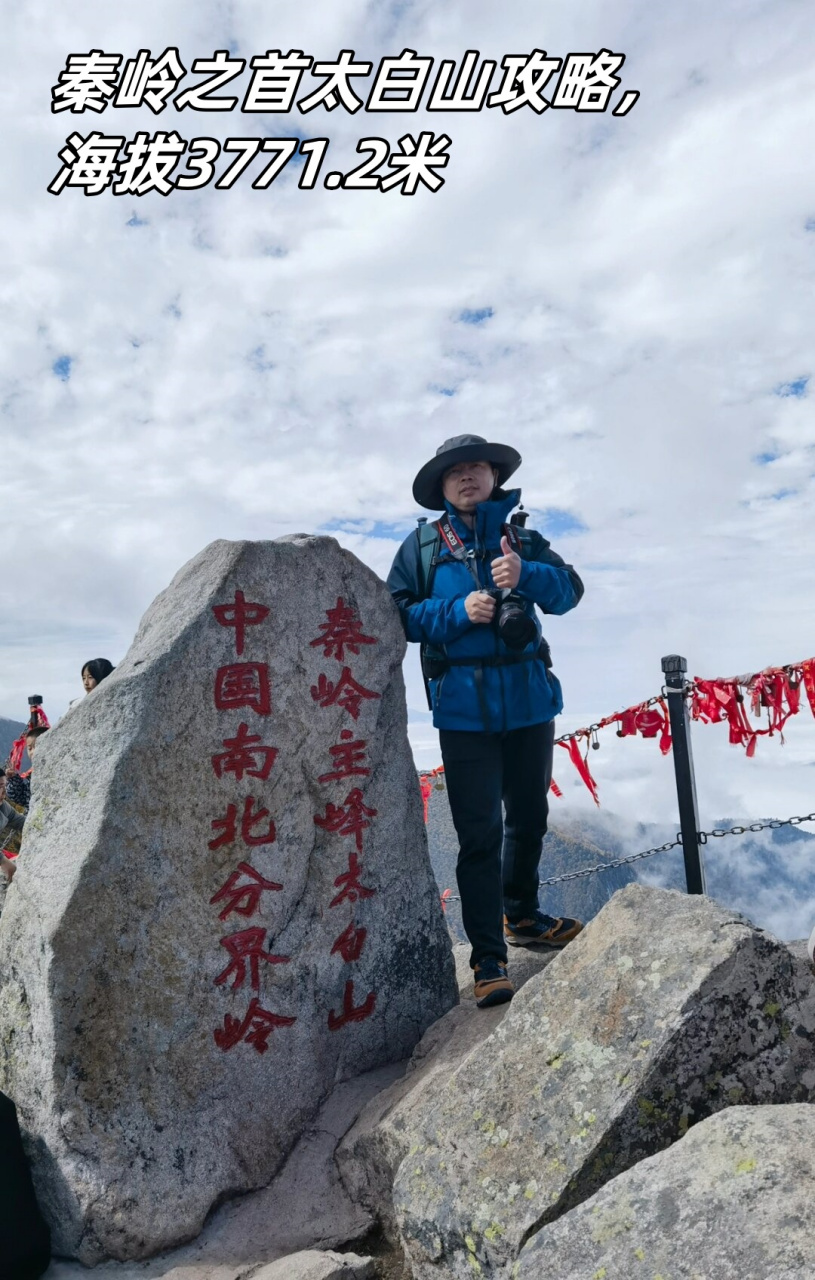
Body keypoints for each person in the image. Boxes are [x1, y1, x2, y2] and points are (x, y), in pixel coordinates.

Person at [388, 434, 585, 1008]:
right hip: (462, 712)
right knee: (479, 834)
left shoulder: (522, 539)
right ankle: (487, 958)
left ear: (494, 475)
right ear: (442, 487)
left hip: (528, 700)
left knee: (529, 817)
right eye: (455, 472)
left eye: (476, 467)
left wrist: (525, 573)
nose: (467, 476)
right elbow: (394, 613)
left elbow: (570, 592)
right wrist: (457, 611)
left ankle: (522, 917)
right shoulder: (422, 547)